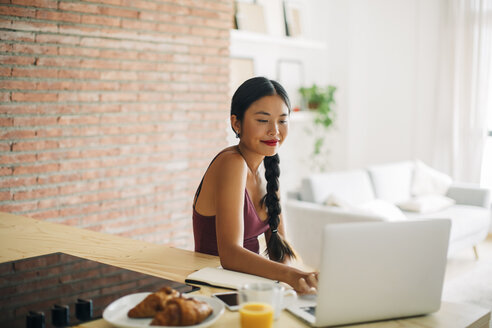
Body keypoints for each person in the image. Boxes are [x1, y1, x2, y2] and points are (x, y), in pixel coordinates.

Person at [192, 76, 318, 294]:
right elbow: (230, 254)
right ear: (236, 123)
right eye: (262, 120)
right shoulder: (232, 162)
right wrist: (291, 276)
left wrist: (300, 284)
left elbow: (279, 248)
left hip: (248, 285)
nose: (274, 130)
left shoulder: (268, 169)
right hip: (213, 289)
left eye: (282, 120)